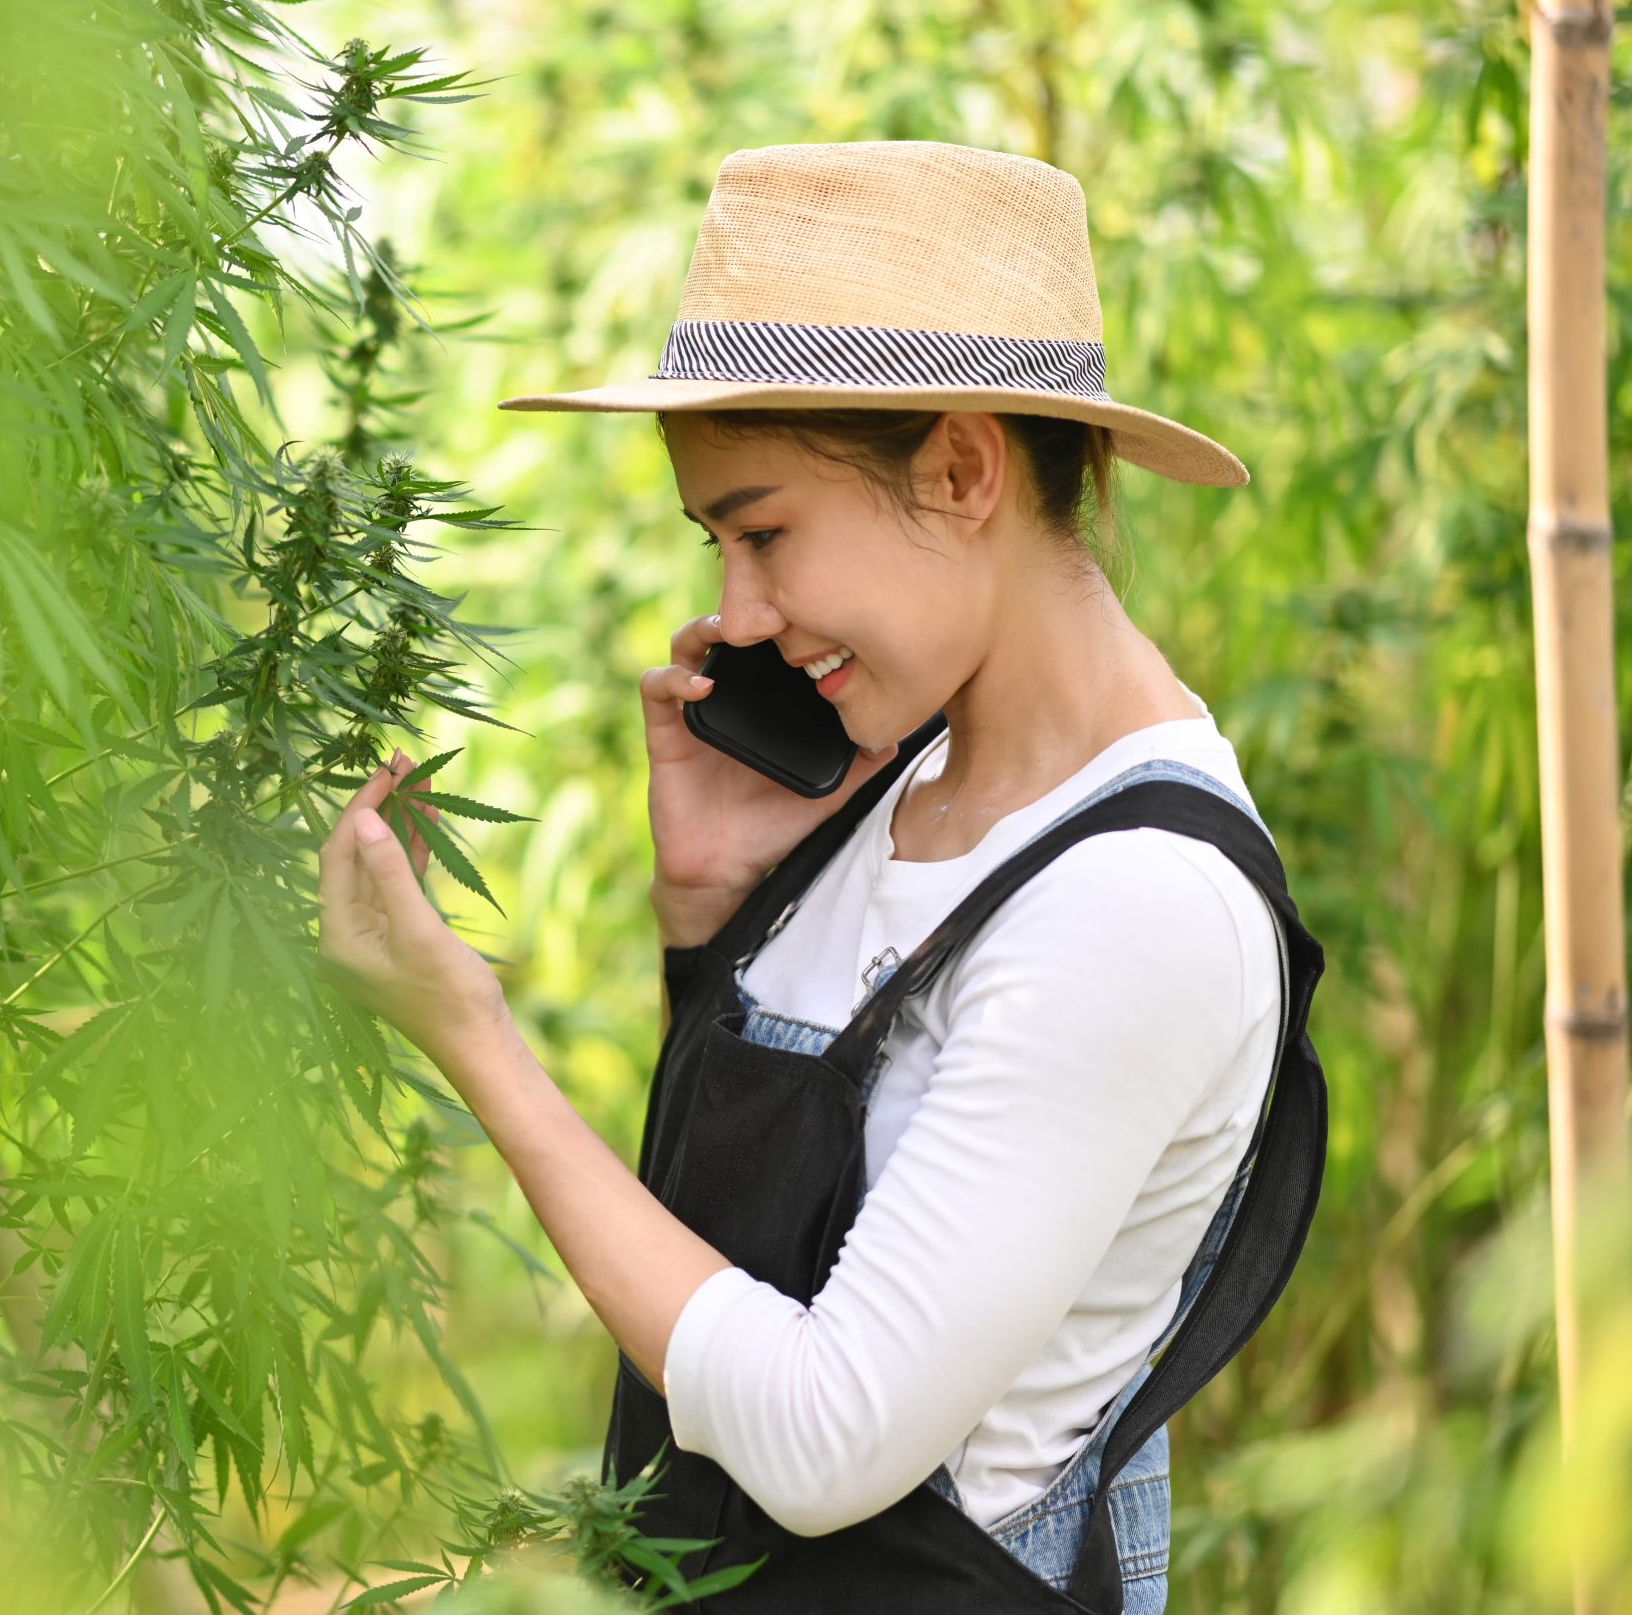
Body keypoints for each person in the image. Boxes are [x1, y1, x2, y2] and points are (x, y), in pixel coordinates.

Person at [316, 142, 1328, 1613]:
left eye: (766, 530)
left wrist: (470, 1036)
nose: (737, 609)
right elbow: (737, 1274)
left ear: (964, 468)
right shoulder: (906, 782)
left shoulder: (1138, 904)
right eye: (716, 539)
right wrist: (713, 918)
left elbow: (822, 1437)